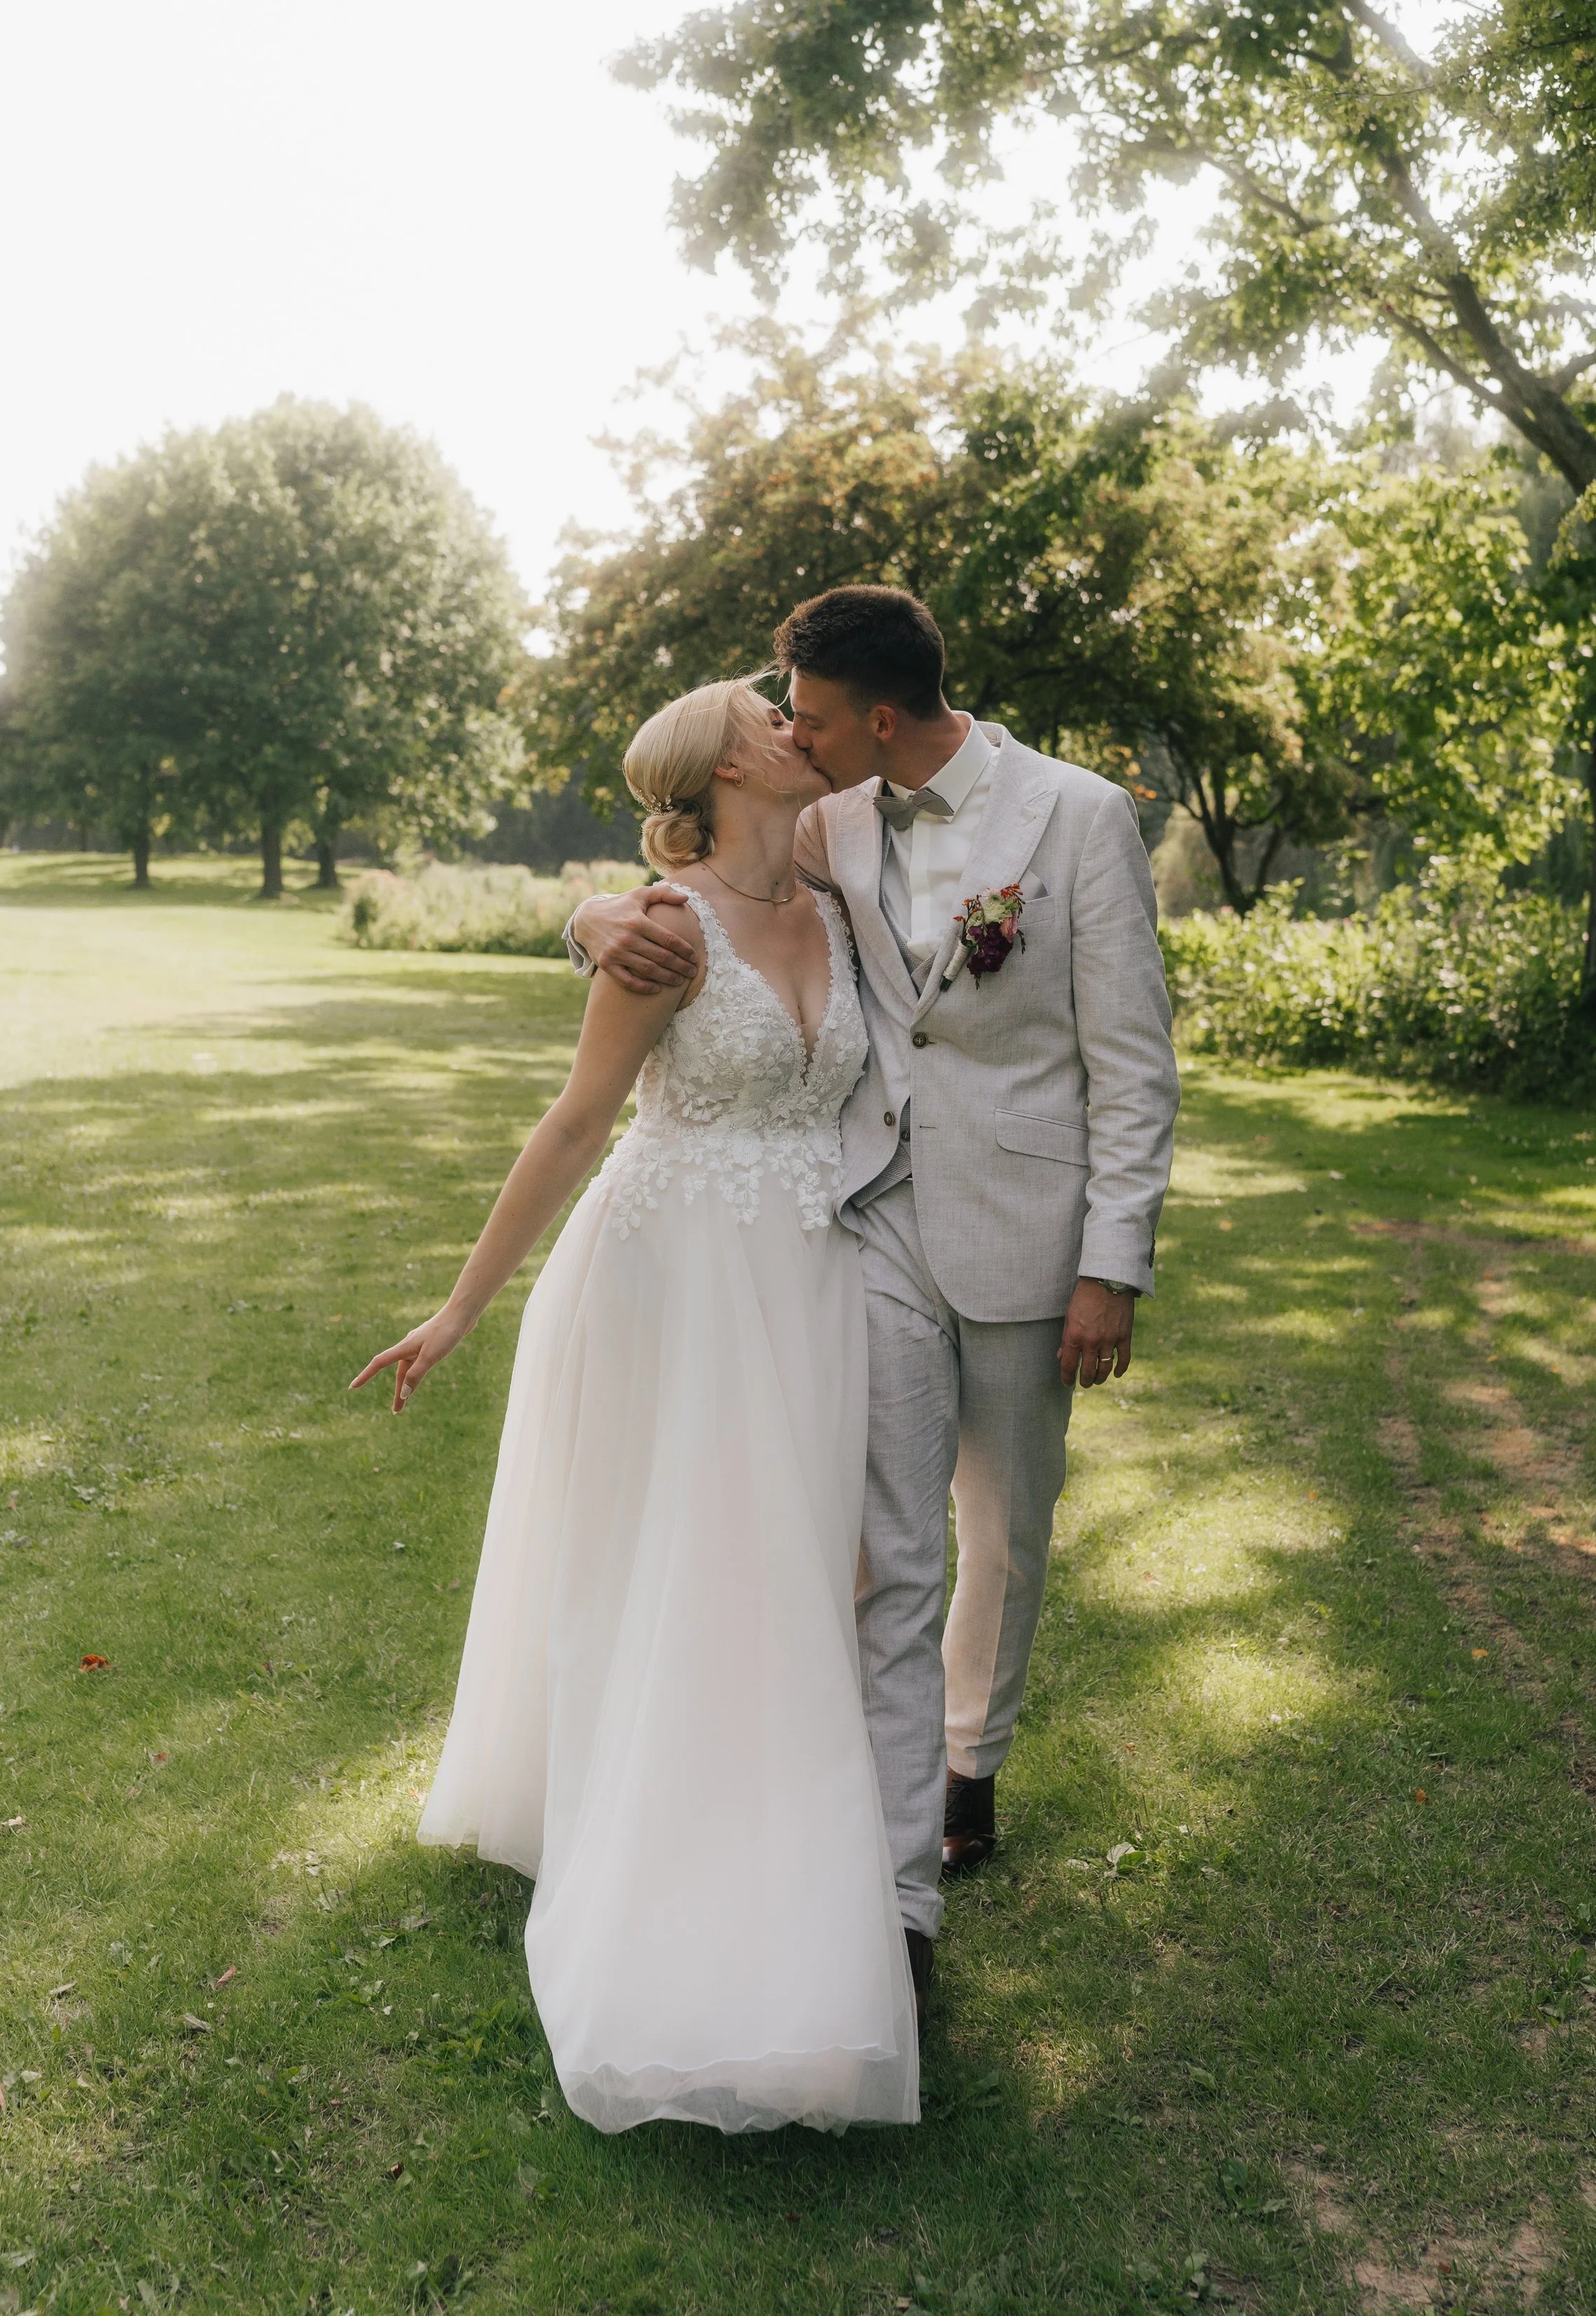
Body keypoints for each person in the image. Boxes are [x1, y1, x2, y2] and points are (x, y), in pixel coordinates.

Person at [568, 587, 1179, 2017]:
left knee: (1003, 1539)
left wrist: (1111, 1262)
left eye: (812, 713)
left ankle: (971, 1761)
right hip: (875, 1224)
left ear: (879, 723)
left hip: (1030, 1239)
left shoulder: (1076, 818)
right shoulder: (831, 814)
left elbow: (1134, 1066)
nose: (793, 731)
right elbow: (700, 887)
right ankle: (897, 1900)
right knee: (891, 1562)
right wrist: (592, 915)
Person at [352, 677, 919, 2136]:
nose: (800, 721)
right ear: (726, 759)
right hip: (670, 1273)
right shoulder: (661, 933)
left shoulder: (844, 883)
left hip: (811, 1281)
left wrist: (582, 906)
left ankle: (793, 1838)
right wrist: (459, 1306)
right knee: (690, 1569)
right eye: (769, 711)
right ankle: (693, 1866)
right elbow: (573, 1121)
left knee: (801, 1566)